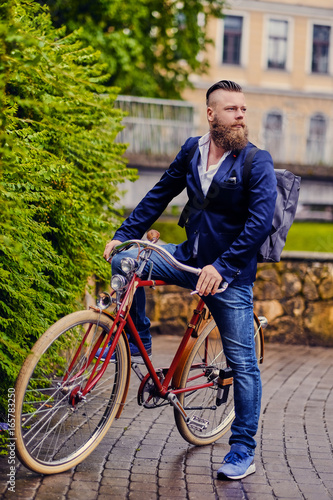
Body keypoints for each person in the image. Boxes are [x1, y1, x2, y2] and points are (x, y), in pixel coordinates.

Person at [103, 80, 277, 480]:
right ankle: (137, 341)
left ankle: (242, 450)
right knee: (128, 262)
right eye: (232, 109)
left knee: (243, 365)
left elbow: (259, 224)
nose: (241, 116)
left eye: (244, 109)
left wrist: (225, 267)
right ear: (211, 114)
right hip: (188, 257)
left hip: (228, 275)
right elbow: (159, 194)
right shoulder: (192, 151)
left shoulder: (256, 161)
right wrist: (124, 233)